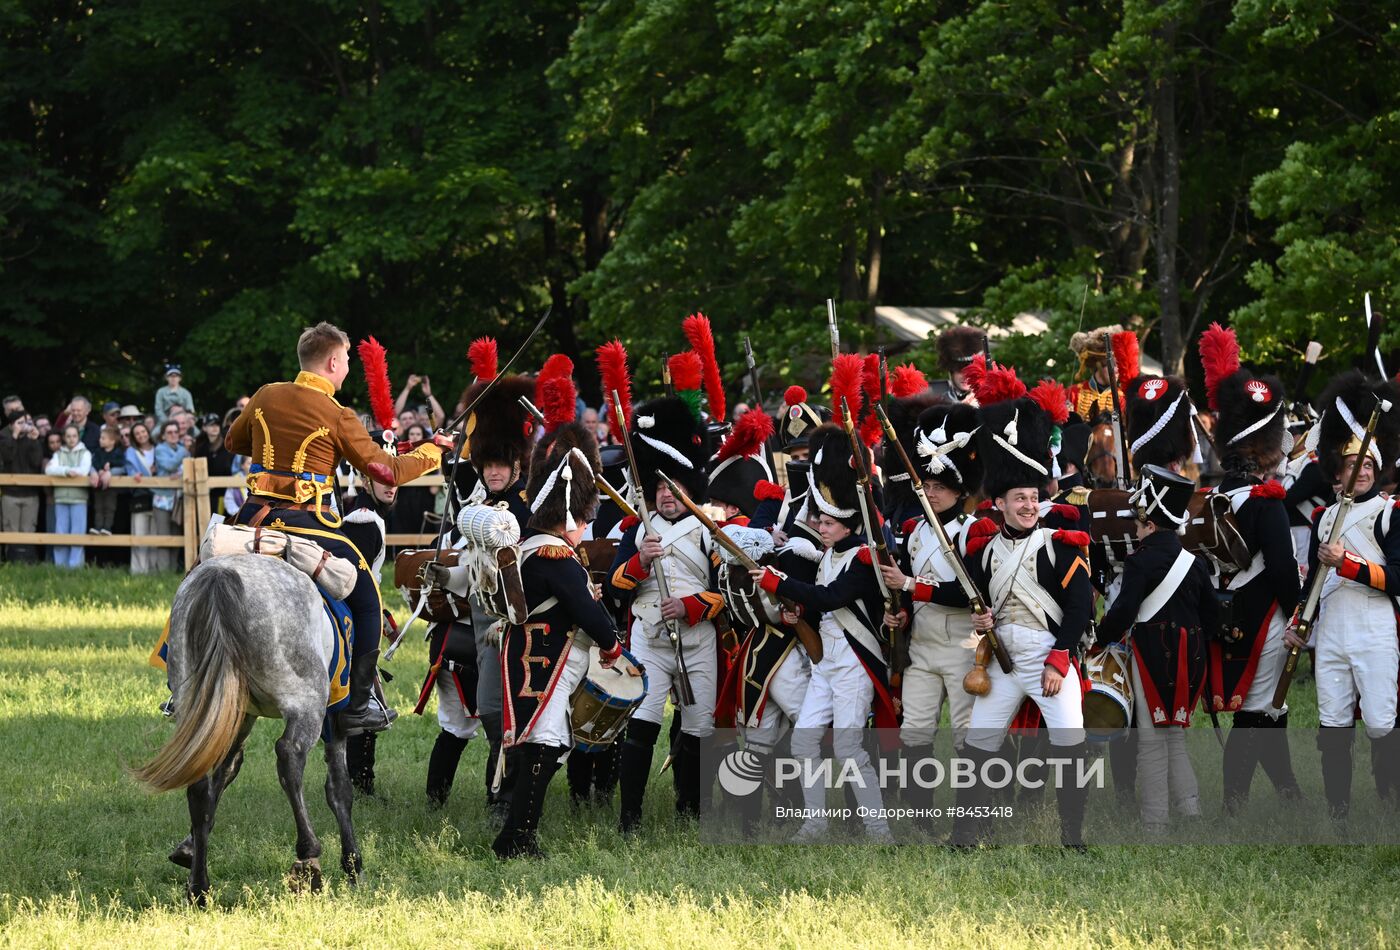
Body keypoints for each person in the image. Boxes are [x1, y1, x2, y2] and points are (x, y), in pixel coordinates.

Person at [225, 321, 445, 734]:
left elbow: (232, 443)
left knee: (205, 569)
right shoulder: (337, 414)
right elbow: (389, 470)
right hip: (306, 523)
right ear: (331, 361)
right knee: (366, 596)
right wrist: (435, 449)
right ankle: (359, 705)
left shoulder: (264, 395)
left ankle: (178, 683)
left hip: (251, 518)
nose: (346, 368)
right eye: (345, 361)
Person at [951, 365, 1093, 849]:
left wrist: (1061, 657)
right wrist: (979, 618)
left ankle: (1072, 839)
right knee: (977, 748)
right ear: (1000, 503)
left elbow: (1080, 607)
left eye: (1034, 497)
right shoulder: (984, 550)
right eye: (1019, 498)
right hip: (1004, 660)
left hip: (1050, 659)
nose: (1029, 505)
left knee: (1070, 746)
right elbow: (976, 599)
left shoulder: (1061, 545)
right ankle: (965, 834)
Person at [749, 422, 898, 844]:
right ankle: (815, 822)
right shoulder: (830, 555)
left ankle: (879, 830)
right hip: (826, 664)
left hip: (852, 662)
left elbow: (831, 598)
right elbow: (818, 600)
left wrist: (778, 584)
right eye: (820, 518)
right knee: (803, 742)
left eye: (828, 520)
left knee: (850, 749)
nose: (820, 523)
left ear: (847, 521)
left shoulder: (864, 558)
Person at [493, 421, 625, 858]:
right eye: (584, 520)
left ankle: (518, 834)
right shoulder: (553, 552)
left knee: (545, 745)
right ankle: (517, 838)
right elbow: (585, 610)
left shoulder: (537, 547)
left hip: (537, 657)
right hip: (543, 661)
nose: (586, 528)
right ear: (571, 516)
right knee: (544, 743)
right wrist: (611, 644)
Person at [421, 341, 537, 814]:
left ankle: (511, 798)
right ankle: (492, 798)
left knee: (516, 716)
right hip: (483, 623)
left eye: (500, 466)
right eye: (488, 465)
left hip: (522, 622)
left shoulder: (529, 513)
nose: (492, 472)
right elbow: (470, 573)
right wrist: (441, 578)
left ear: (515, 467)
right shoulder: (471, 510)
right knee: (488, 713)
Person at [609, 382, 724, 833]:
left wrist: (693, 606)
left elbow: (727, 595)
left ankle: (690, 808)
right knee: (643, 722)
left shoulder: (708, 529)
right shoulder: (637, 529)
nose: (666, 495)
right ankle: (629, 817)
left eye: (674, 487)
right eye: (659, 487)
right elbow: (616, 588)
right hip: (649, 640)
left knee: (698, 727)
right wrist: (640, 562)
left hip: (698, 639)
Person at [1197, 322, 1303, 811]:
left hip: (1227, 613)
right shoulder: (1267, 500)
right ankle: (1233, 802)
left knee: (1269, 708)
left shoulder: (1216, 496)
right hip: (1264, 616)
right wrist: (1298, 613)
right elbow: (1282, 567)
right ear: (1268, 448)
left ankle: (1288, 793)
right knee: (1255, 712)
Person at [1292, 370, 1400, 819]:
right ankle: (1338, 812)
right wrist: (1301, 623)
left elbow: (1397, 578)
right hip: (1333, 628)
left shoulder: (1389, 514)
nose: (1362, 473)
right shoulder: (1323, 517)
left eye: (1369, 466)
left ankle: (1389, 803)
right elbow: (1313, 583)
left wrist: (1349, 564)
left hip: (1374, 628)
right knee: (1332, 725)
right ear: (1341, 471)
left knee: (1380, 723)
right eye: (1356, 466)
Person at [878, 400, 983, 820]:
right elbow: (906, 591)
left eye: (941, 486)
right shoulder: (914, 531)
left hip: (962, 644)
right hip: (920, 644)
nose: (933, 492)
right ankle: (918, 815)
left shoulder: (974, 530)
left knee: (964, 735)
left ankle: (968, 816)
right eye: (929, 484)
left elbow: (968, 594)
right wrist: (900, 611)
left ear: (960, 491)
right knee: (915, 732)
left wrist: (910, 588)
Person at [1096, 465, 1216, 832]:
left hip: (1153, 654)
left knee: (1150, 739)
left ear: (1149, 522)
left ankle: (1154, 822)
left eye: (1138, 520)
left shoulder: (1139, 561)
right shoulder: (1196, 563)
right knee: (1174, 735)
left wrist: (1098, 640)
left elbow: (1123, 613)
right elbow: (1210, 614)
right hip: (1189, 659)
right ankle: (1190, 809)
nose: (1134, 526)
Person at [340, 436, 402, 796]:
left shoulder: (370, 516)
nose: (390, 486)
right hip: (354, 618)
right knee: (364, 705)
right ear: (366, 481)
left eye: (394, 478)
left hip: (366, 611)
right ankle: (359, 785)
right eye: (383, 479)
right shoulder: (364, 521)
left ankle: (360, 782)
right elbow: (352, 581)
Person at [1067, 326, 1138, 425]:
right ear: (1098, 364)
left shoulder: (1122, 399)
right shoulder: (1074, 393)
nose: (1117, 370)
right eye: (1113, 365)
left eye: (1119, 366)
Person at [45, 424, 92, 567]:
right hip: (61, 497)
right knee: (61, 532)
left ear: (78, 437)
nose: (71, 439)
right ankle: (60, 566)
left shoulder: (85, 453)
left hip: (79, 497)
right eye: (68, 436)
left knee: (77, 532)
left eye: (74, 436)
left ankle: (75, 566)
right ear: (64, 438)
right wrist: (66, 471)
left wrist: (65, 471)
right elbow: (49, 470)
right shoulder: (58, 454)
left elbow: (84, 471)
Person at [0, 409, 44, 562]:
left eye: (26, 422)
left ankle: (27, 562)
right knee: (10, 530)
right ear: (12, 425)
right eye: (19, 423)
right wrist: (14, 436)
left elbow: (37, 462)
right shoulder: (4, 440)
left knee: (28, 530)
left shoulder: (32, 440)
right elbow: (7, 458)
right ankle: (11, 562)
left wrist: (34, 441)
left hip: (30, 494)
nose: (23, 426)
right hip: (10, 493)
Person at [125, 422, 163, 574]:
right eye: (137, 433)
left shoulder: (158, 449)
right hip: (140, 496)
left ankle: (153, 569)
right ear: (134, 437)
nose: (141, 435)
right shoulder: (131, 452)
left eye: (143, 431)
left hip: (159, 495)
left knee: (154, 533)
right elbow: (131, 471)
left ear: (148, 432)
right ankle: (139, 570)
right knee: (139, 533)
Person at [152, 420, 188, 562]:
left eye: (175, 432)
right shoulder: (161, 449)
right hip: (163, 497)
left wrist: (180, 474)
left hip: (179, 498)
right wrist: (183, 451)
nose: (173, 435)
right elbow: (169, 465)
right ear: (163, 436)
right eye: (169, 432)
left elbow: (188, 470)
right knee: (164, 535)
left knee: (176, 533)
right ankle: (163, 571)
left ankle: (172, 571)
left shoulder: (182, 449)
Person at [929, 325, 987, 402]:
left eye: (972, 372)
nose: (966, 377)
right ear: (951, 370)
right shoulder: (933, 396)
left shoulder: (992, 399)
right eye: (960, 370)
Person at [191, 413, 234, 514]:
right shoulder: (200, 448)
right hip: (205, 495)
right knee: (207, 526)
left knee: (220, 526)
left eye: (217, 425)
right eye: (211, 425)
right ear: (204, 428)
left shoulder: (228, 446)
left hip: (225, 495)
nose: (215, 427)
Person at [88, 425, 127, 535]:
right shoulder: (98, 452)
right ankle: (98, 526)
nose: (100, 440)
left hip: (111, 488)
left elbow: (122, 466)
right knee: (98, 507)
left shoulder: (118, 453)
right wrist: (99, 470)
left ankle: (107, 527)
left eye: (103, 438)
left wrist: (111, 468)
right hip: (99, 486)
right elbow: (94, 463)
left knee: (110, 507)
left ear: (112, 441)